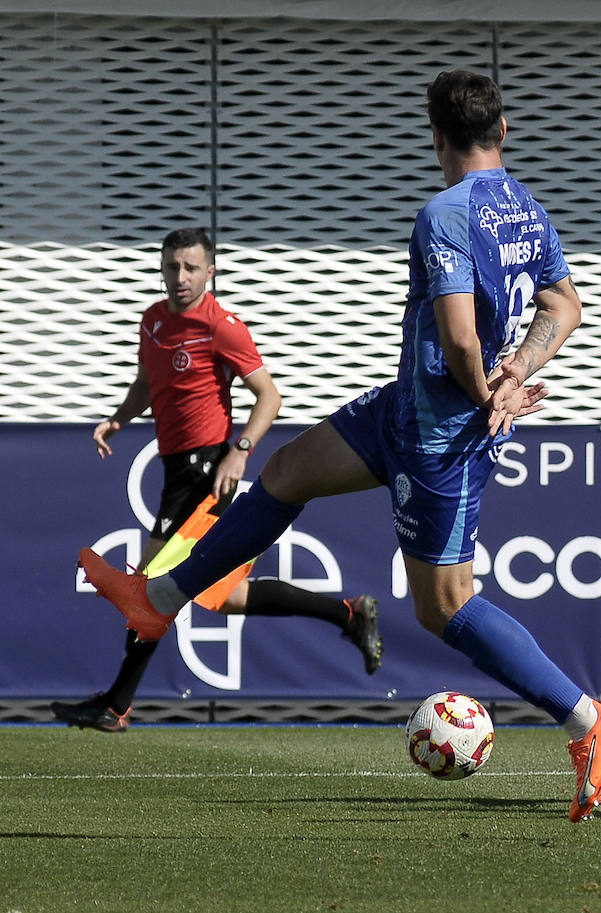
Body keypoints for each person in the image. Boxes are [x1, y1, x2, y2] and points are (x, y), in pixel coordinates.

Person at [78, 70, 601, 823]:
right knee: (284, 471)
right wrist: (520, 370)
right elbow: (564, 306)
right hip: (404, 407)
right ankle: (158, 601)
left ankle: (588, 721)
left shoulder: (445, 213)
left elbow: (463, 336)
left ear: (436, 137)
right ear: (502, 132)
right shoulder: (527, 209)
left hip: (441, 431)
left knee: (445, 608)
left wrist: (492, 389)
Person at [54, 227, 382, 734]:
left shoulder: (222, 326)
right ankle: (349, 614)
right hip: (174, 471)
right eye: (171, 267)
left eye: (190, 267)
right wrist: (119, 418)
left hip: (208, 472)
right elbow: (147, 382)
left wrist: (239, 452)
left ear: (211, 271)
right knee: (225, 598)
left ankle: (115, 705)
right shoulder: (154, 321)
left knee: (146, 591)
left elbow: (268, 397)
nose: (179, 277)